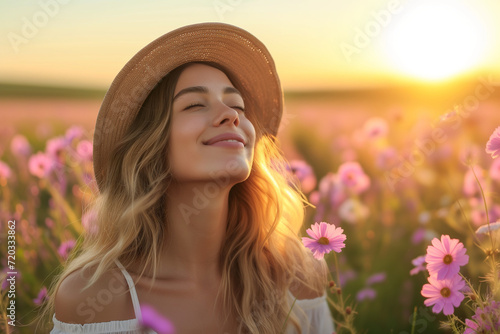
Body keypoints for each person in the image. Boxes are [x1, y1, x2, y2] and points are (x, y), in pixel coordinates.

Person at [40, 22, 334, 334]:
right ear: (151, 145)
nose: (231, 115)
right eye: (195, 104)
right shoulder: (96, 300)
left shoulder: (297, 277)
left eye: (238, 105)